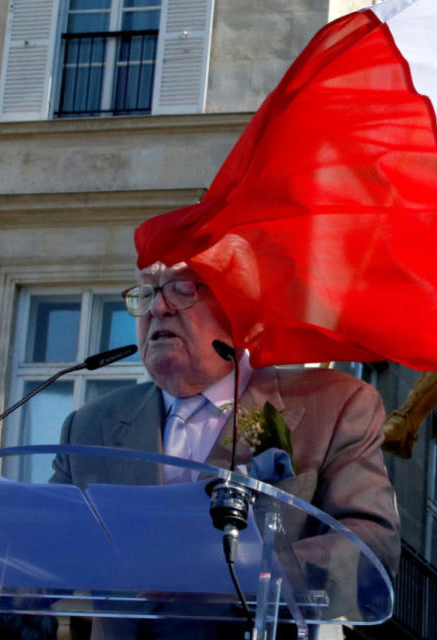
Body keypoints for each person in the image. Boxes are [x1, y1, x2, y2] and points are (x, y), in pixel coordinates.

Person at [49, 261, 401, 638]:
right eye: (147, 292)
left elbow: (370, 550)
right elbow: (37, 558)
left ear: (238, 304)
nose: (158, 308)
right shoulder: (88, 428)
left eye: (182, 289)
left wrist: (235, 570)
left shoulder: (333, 405)